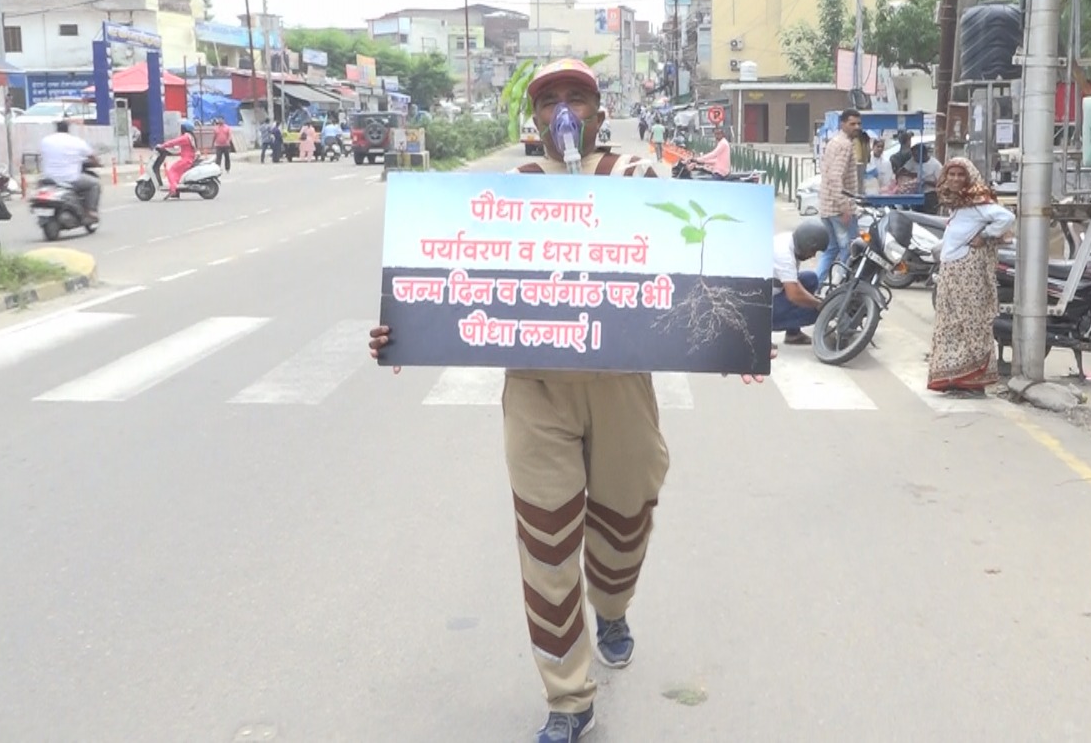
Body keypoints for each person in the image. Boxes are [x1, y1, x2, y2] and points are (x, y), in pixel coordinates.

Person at [366, 57, 766, 743]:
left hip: (622, 385)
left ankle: (612, 607)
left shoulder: (637, 179)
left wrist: (750, 329)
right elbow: (447, 276)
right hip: (536, 388)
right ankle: (568, 699)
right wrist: (401, 327)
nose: (562, 109)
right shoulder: (506, 191)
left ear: (598, 111)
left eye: (575, 97)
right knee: (546, 544)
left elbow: (695, 256)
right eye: (549, 98)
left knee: (627, 518)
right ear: (533, 117)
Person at [928, 158, 1014, 395]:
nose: (955, 179)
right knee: (951, 324)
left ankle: (973, 381)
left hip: (968, 271)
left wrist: (985, 236)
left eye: (960, 175)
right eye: (951, 174)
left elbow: (1006, 218)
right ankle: (955, 378)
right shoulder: (958, 204)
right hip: (952, 270)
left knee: (971, 323)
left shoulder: (978, 202)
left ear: (969, 177)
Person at [817, 109, 861, 285]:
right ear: (842, 124)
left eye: (858, 123)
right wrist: (845, 208)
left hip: (827, 206)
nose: (856, 127)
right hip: (839, 208)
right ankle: (837, 287)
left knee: (831, 249)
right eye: (852, 124)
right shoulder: (844, 145)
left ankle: (815, 285)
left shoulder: (834, 142)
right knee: (850, 249)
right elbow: (835, 177)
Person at [772, 220, 829, 345]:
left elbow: (794, 282)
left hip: (767, 294)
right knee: (813, 313)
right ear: (805, 244)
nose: (813, 255)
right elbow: (794, 295)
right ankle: (758, 333)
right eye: (813, 250)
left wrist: (814, 300)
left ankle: (793, 335)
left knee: (810, 278)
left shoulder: (790, 240)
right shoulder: (784, 255)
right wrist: (819, 305)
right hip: (755, 307)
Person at [39, 120, 101, 221]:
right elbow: (92, 156)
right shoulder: (76, 141)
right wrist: (97, 163)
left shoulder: (45, 140)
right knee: (94, 184)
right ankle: (90, 211)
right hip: (70, 178)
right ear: (68, 129)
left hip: (48, 178)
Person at [160, 121, 199, 199]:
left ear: (184, 128)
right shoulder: (190, 136)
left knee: (171, 171)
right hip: (188, 158)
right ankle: (176, 191)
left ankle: (173, 190)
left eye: (181, 127)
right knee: (177, 174)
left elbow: (174, 142)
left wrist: (163, 145)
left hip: (186, 160)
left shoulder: (185, 137)